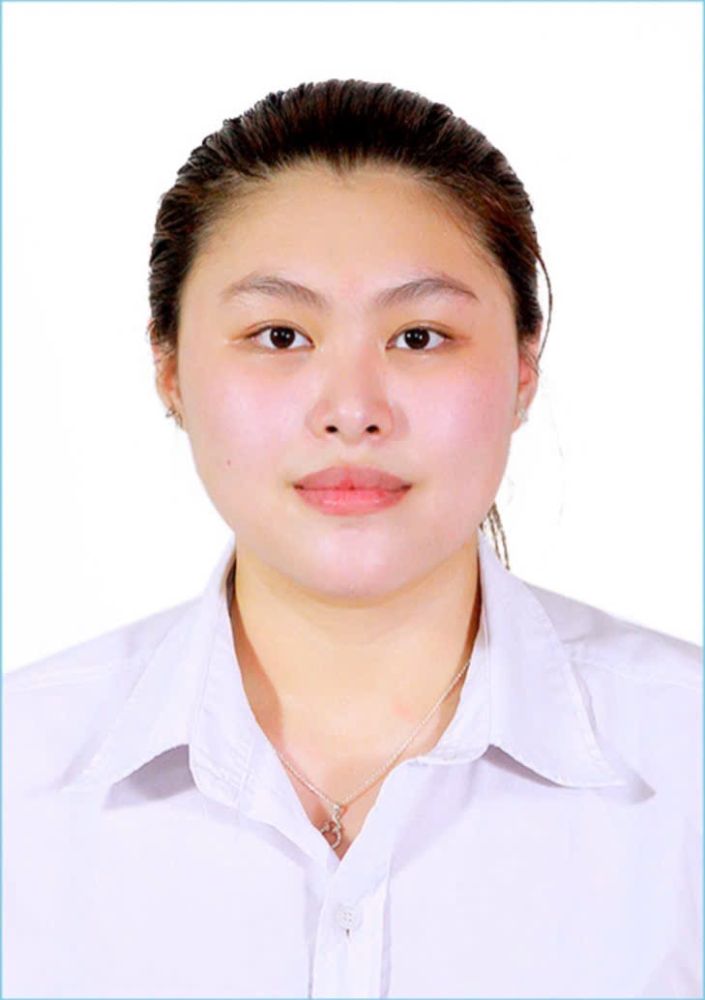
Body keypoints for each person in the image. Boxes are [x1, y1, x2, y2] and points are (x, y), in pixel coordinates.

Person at [4, 79, 701, 1000]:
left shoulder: (684, 759)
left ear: (523, 369)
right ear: (168, 368)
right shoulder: (20, 778)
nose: (352, 411)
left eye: (418, 336)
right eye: (279, 335)